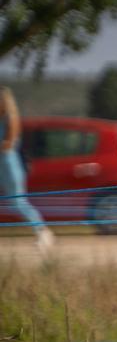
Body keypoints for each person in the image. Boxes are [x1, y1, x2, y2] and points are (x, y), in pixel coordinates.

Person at [0, 87, 54, 253]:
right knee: (14, 202)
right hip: (2, 165)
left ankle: (43, 232)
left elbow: (9, 143)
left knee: (18, 202)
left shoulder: (11, 118)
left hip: (10, 165)